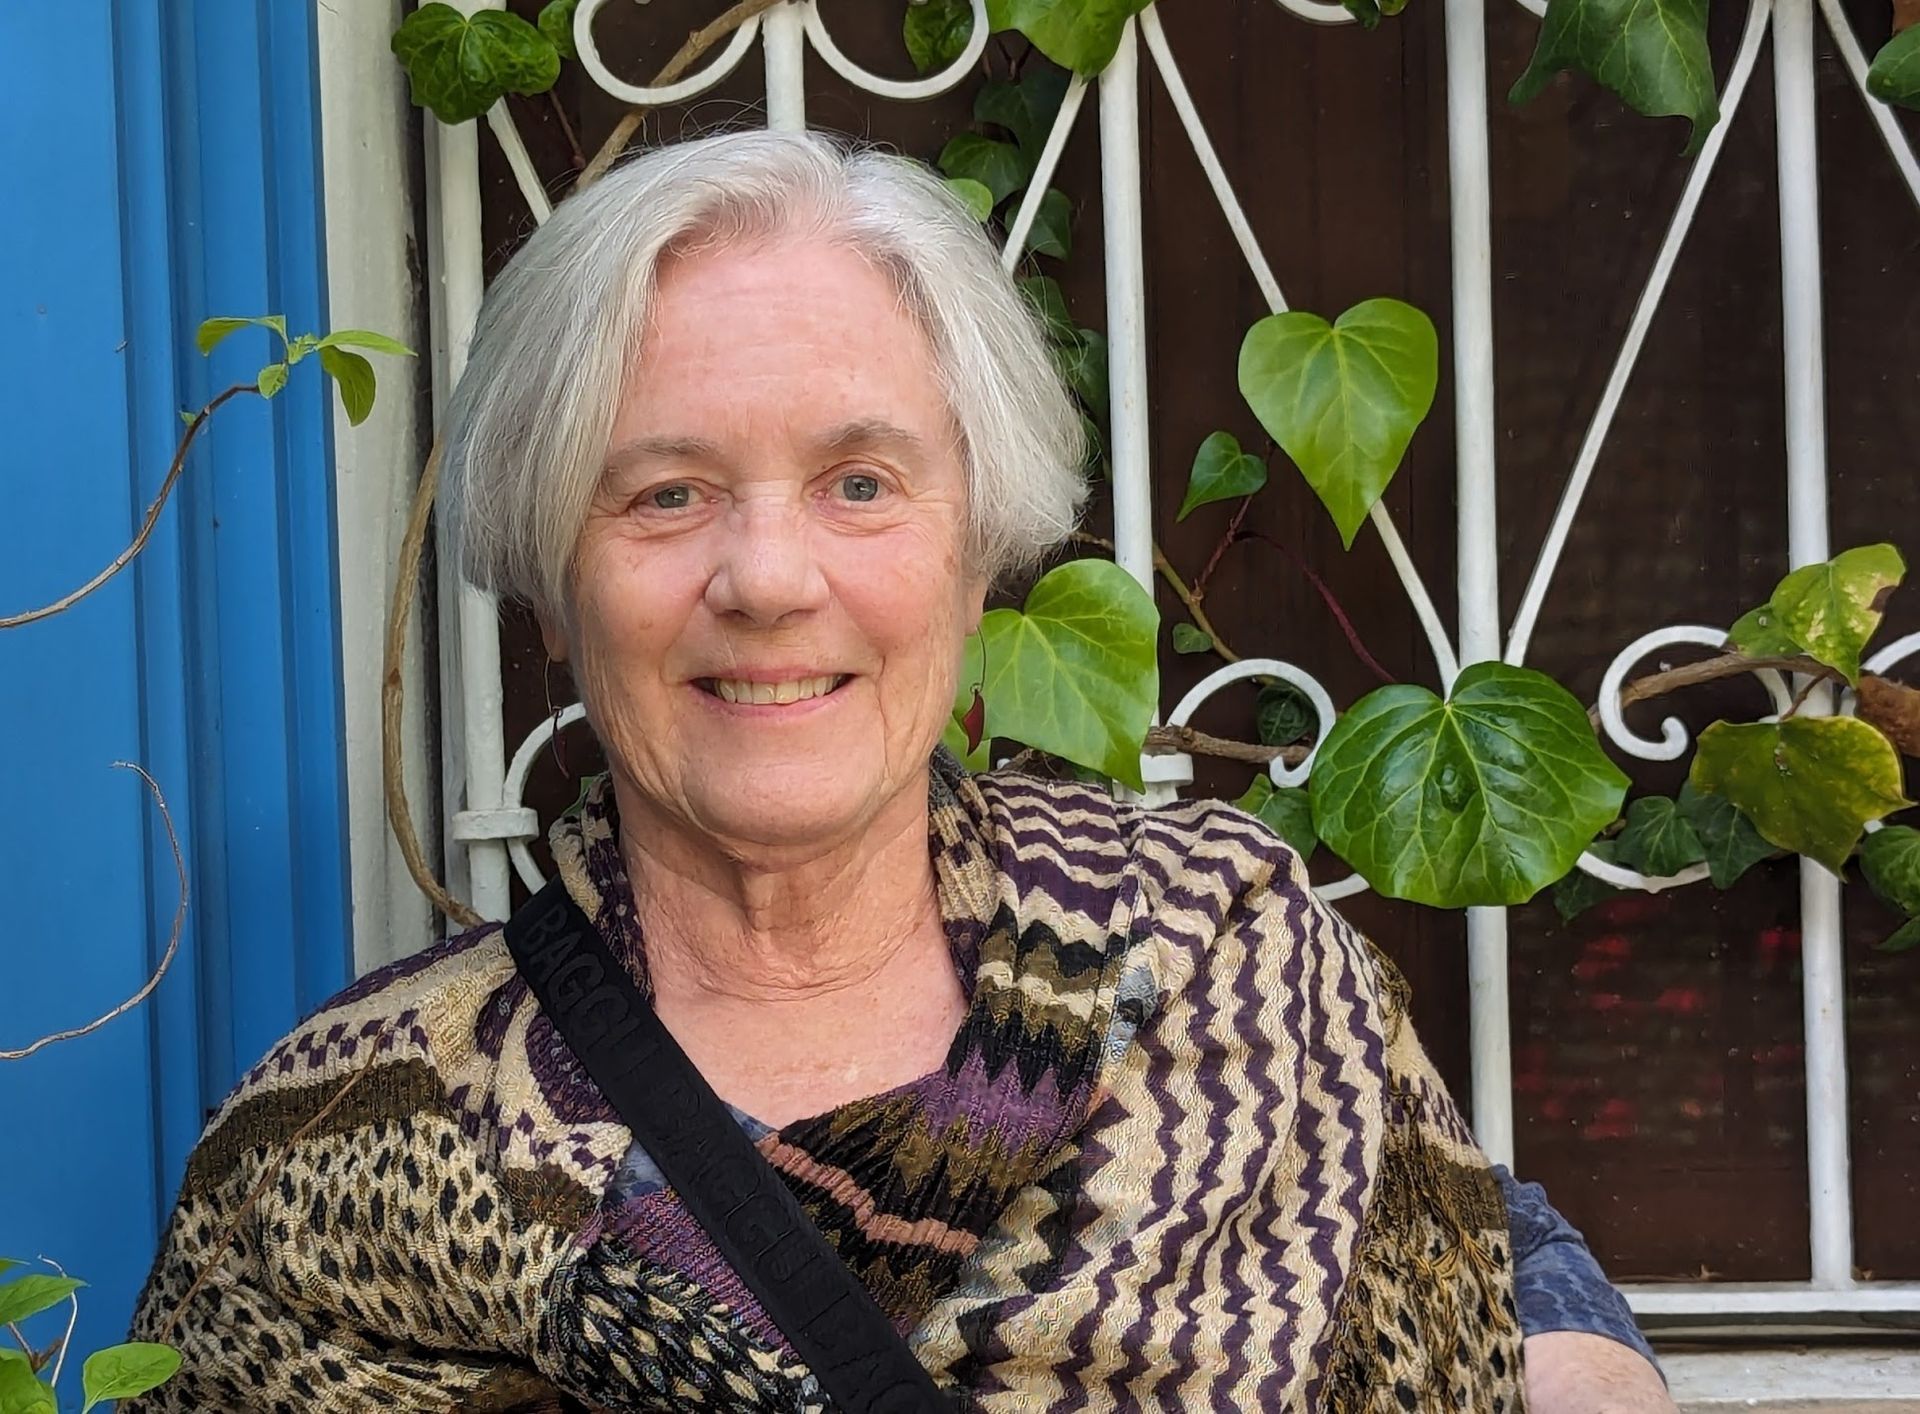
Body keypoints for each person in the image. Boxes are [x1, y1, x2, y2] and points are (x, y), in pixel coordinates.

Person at [127, 130, 1672, 1412]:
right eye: (667, 494)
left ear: (975, 549)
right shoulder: (339, 1137)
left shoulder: (1228, 956)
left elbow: (1469, 1246)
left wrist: (1592, 1360)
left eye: (859, 483)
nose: (769, 577)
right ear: (549, 583)